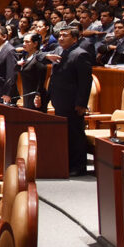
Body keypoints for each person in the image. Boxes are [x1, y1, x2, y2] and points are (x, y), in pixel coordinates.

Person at [47, 28, 94, 175]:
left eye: (65, 35)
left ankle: (78, 167)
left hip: (73, 102)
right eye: (60, 35)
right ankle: (67, 164)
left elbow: (85, 82)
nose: (61, 38)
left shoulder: (80, 54)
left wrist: (81, 104)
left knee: (75, 135)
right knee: (65, 134)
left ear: (74, 39)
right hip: (60, 100)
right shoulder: (59, 51)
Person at [18, 33, 48, 110]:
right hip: (27, 93)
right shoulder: (25, 56)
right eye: (23, 41)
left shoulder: (39, 57)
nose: (24, 44)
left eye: (27, 42)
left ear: (35, 44)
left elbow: (41, 78)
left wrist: (38, 95)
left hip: (36, 95)